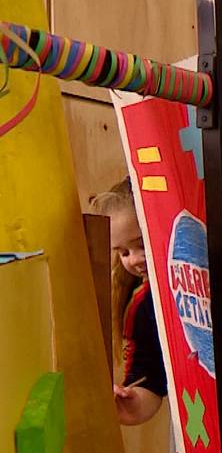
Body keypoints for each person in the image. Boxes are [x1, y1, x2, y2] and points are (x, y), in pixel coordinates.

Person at [90, 177, 167, 425]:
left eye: (141, 245)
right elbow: (149, 380)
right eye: (123, 252)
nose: (133, 260)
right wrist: (130, 404)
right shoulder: (143, 309)